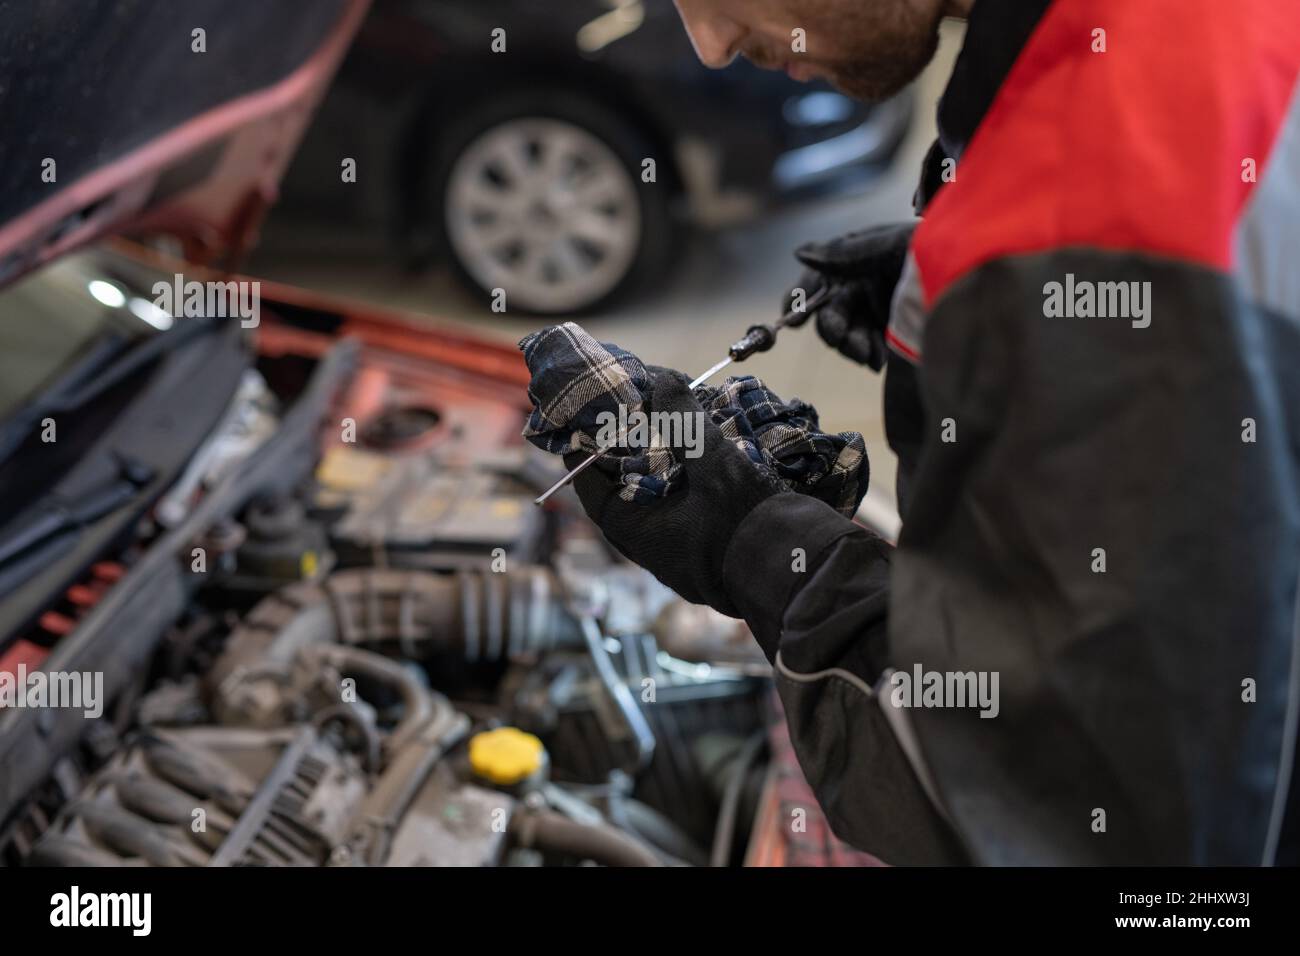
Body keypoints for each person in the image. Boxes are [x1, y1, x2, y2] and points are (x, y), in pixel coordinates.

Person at [556, 0, 1300, 864]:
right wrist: (953, 294)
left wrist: (751, 544)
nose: (712, 45)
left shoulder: (1076, 232)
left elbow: (1045, 819)